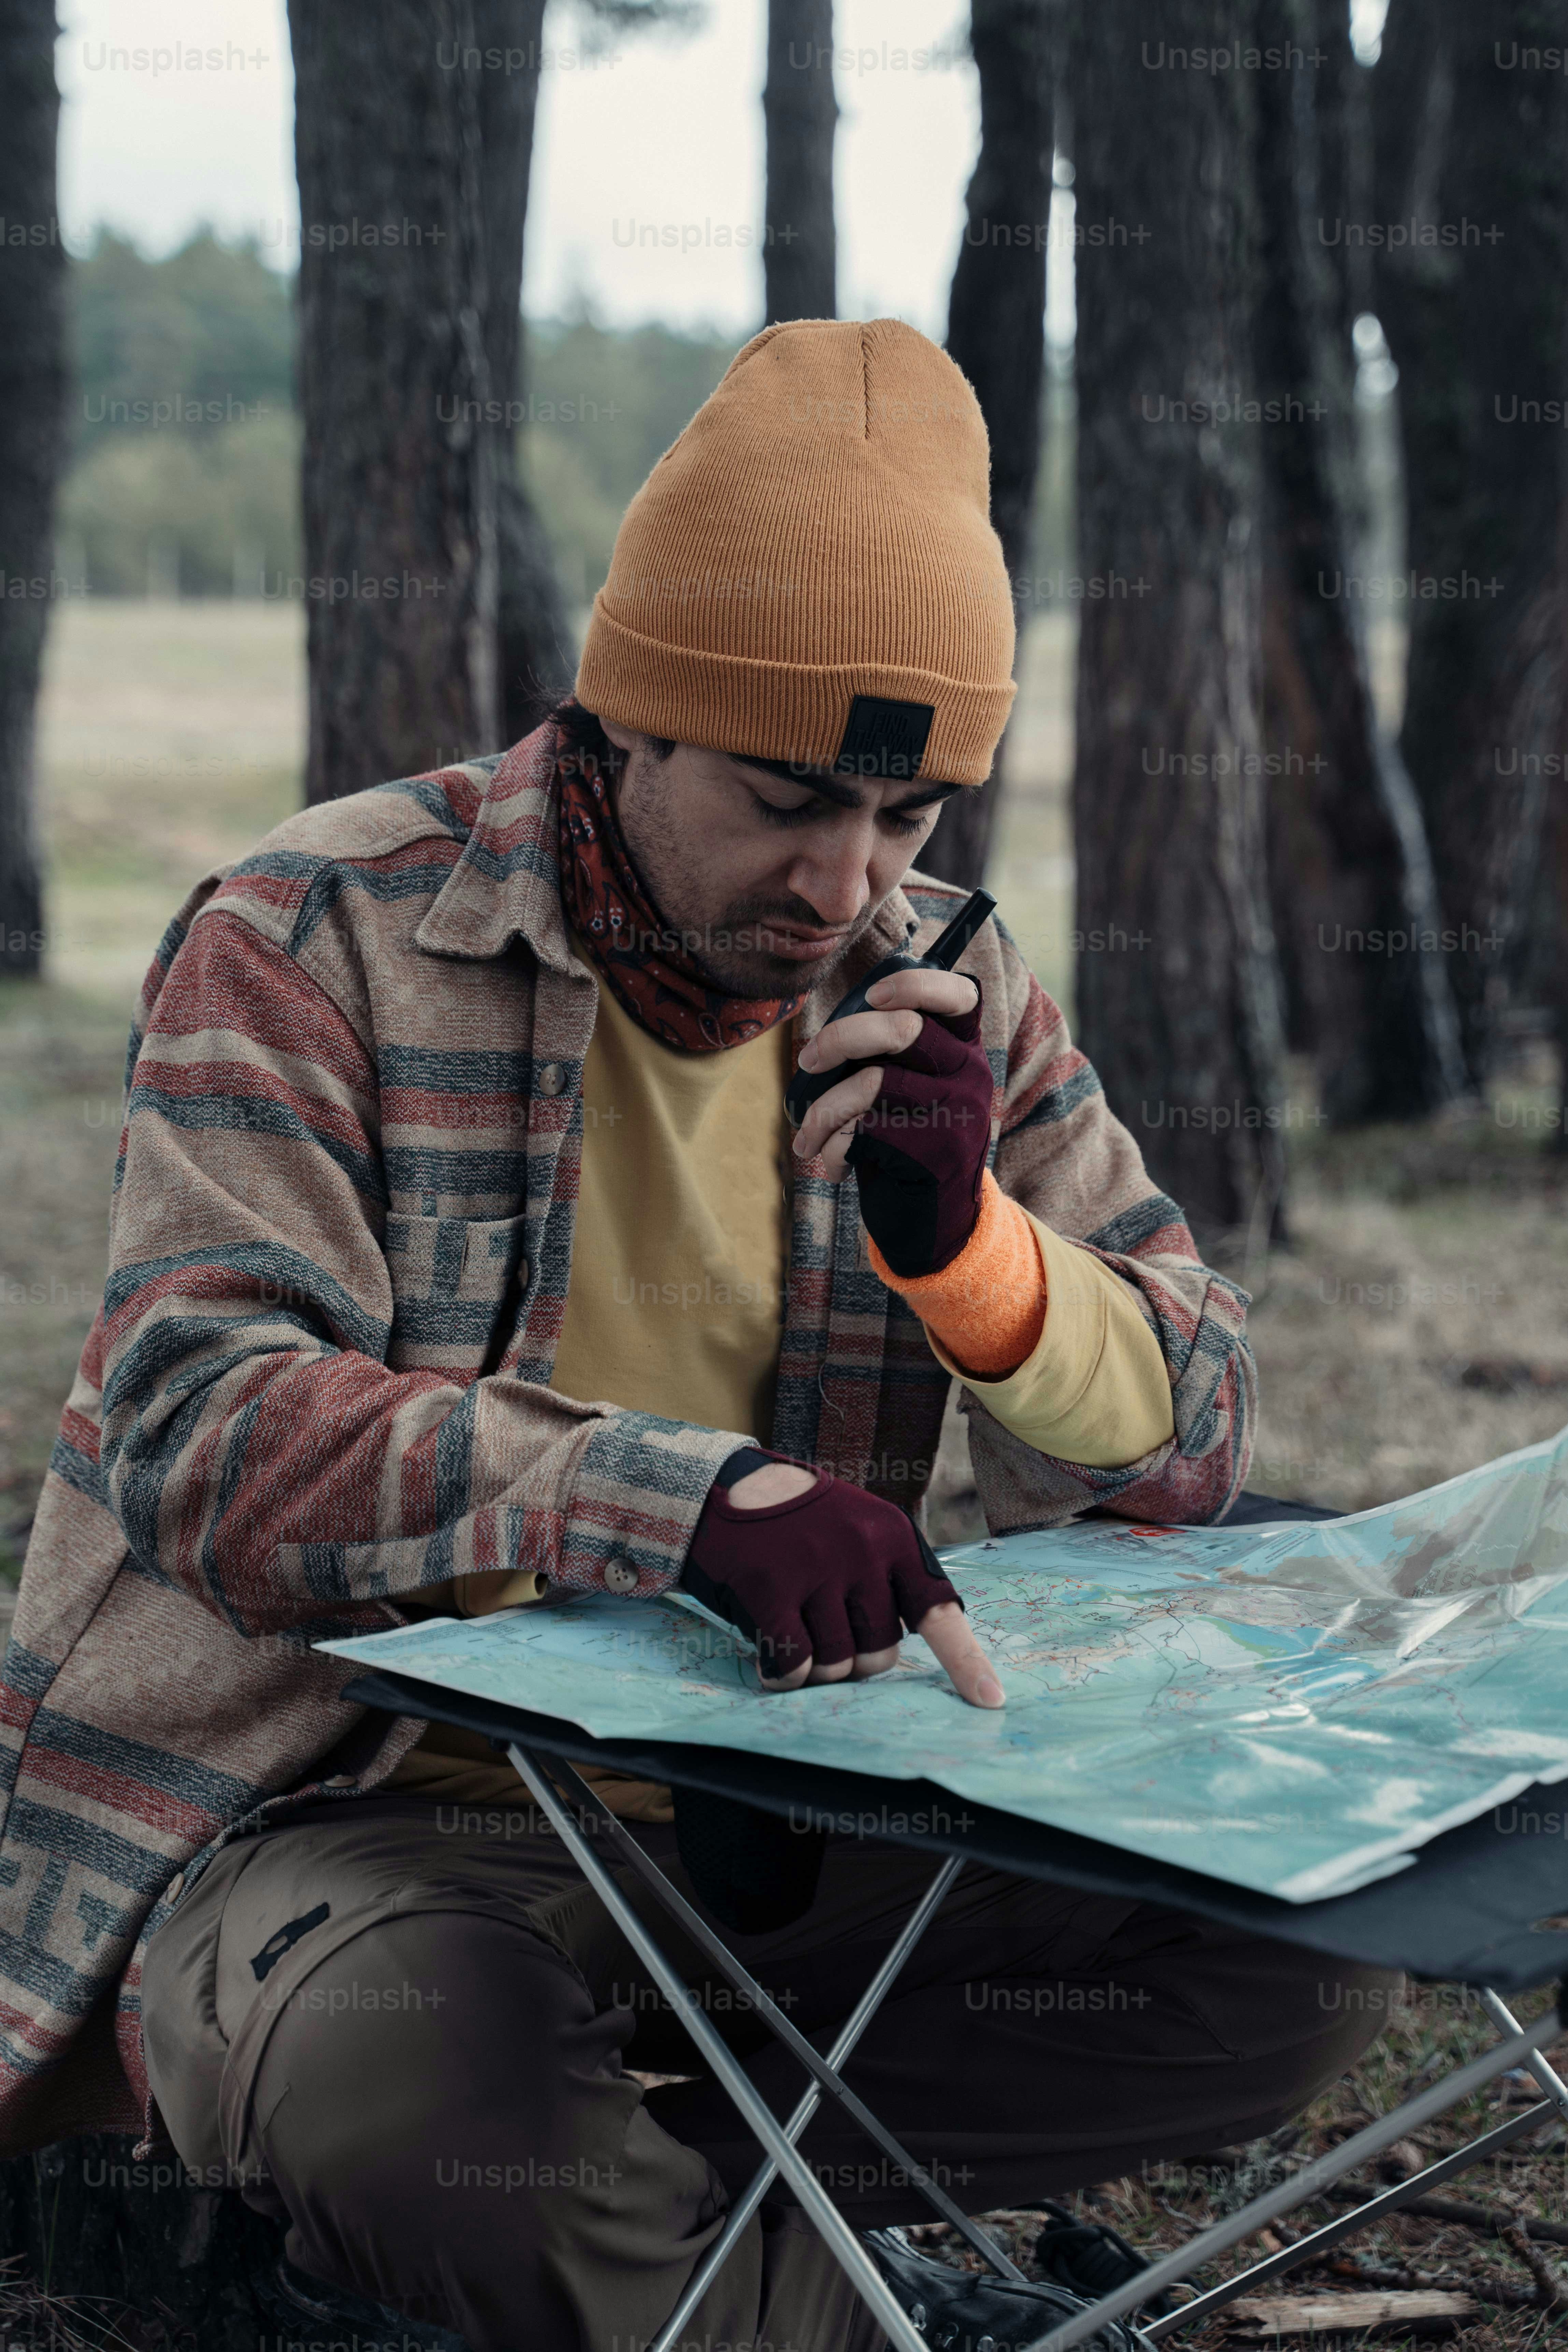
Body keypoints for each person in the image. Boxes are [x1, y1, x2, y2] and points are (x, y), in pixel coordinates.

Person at [2, 319, 1393, 2352]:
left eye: (910, 818)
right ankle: (754, 2289)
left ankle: (559, 2250)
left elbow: (1189, 1436)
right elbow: (206, 1427)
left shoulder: (947, 990)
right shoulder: (316, 936)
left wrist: (980, 1260)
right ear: (625, 717)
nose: (846, 885)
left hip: (803, 1815)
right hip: (369, 1813)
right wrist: (658, 1495)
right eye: (788, 798)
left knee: (1268, 1972)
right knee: (415, 2100)